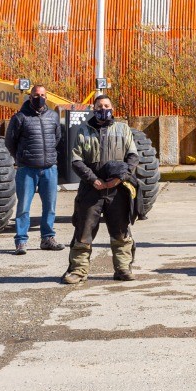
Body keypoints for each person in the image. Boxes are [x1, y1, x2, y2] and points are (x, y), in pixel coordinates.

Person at [62, 94, 140, 285]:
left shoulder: (123, 129)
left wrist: (119, 178)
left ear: (112, 108)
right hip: (91, 189)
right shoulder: (83, 130)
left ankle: (123, 268)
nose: (103, 108)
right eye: (99, 106)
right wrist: (93, 180)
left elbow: (132, 157)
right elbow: (76, 160)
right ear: (93, 108)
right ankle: (78, 271)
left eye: (106, 105)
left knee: (121, 230)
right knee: (83, 230)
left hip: (117, 189)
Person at [4, 84, 65, 256]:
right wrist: (21, 158)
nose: (40, 98)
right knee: (23, 207)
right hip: (27, 170)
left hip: (49, 169)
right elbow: (10, 142)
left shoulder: (53, 116)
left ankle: (47, 238)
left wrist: (51, 158)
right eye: (36, 95)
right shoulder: (20, 118)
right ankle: (21, 241)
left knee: (50, 206)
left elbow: (57, 138)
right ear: (30, 97)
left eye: (43, 94)